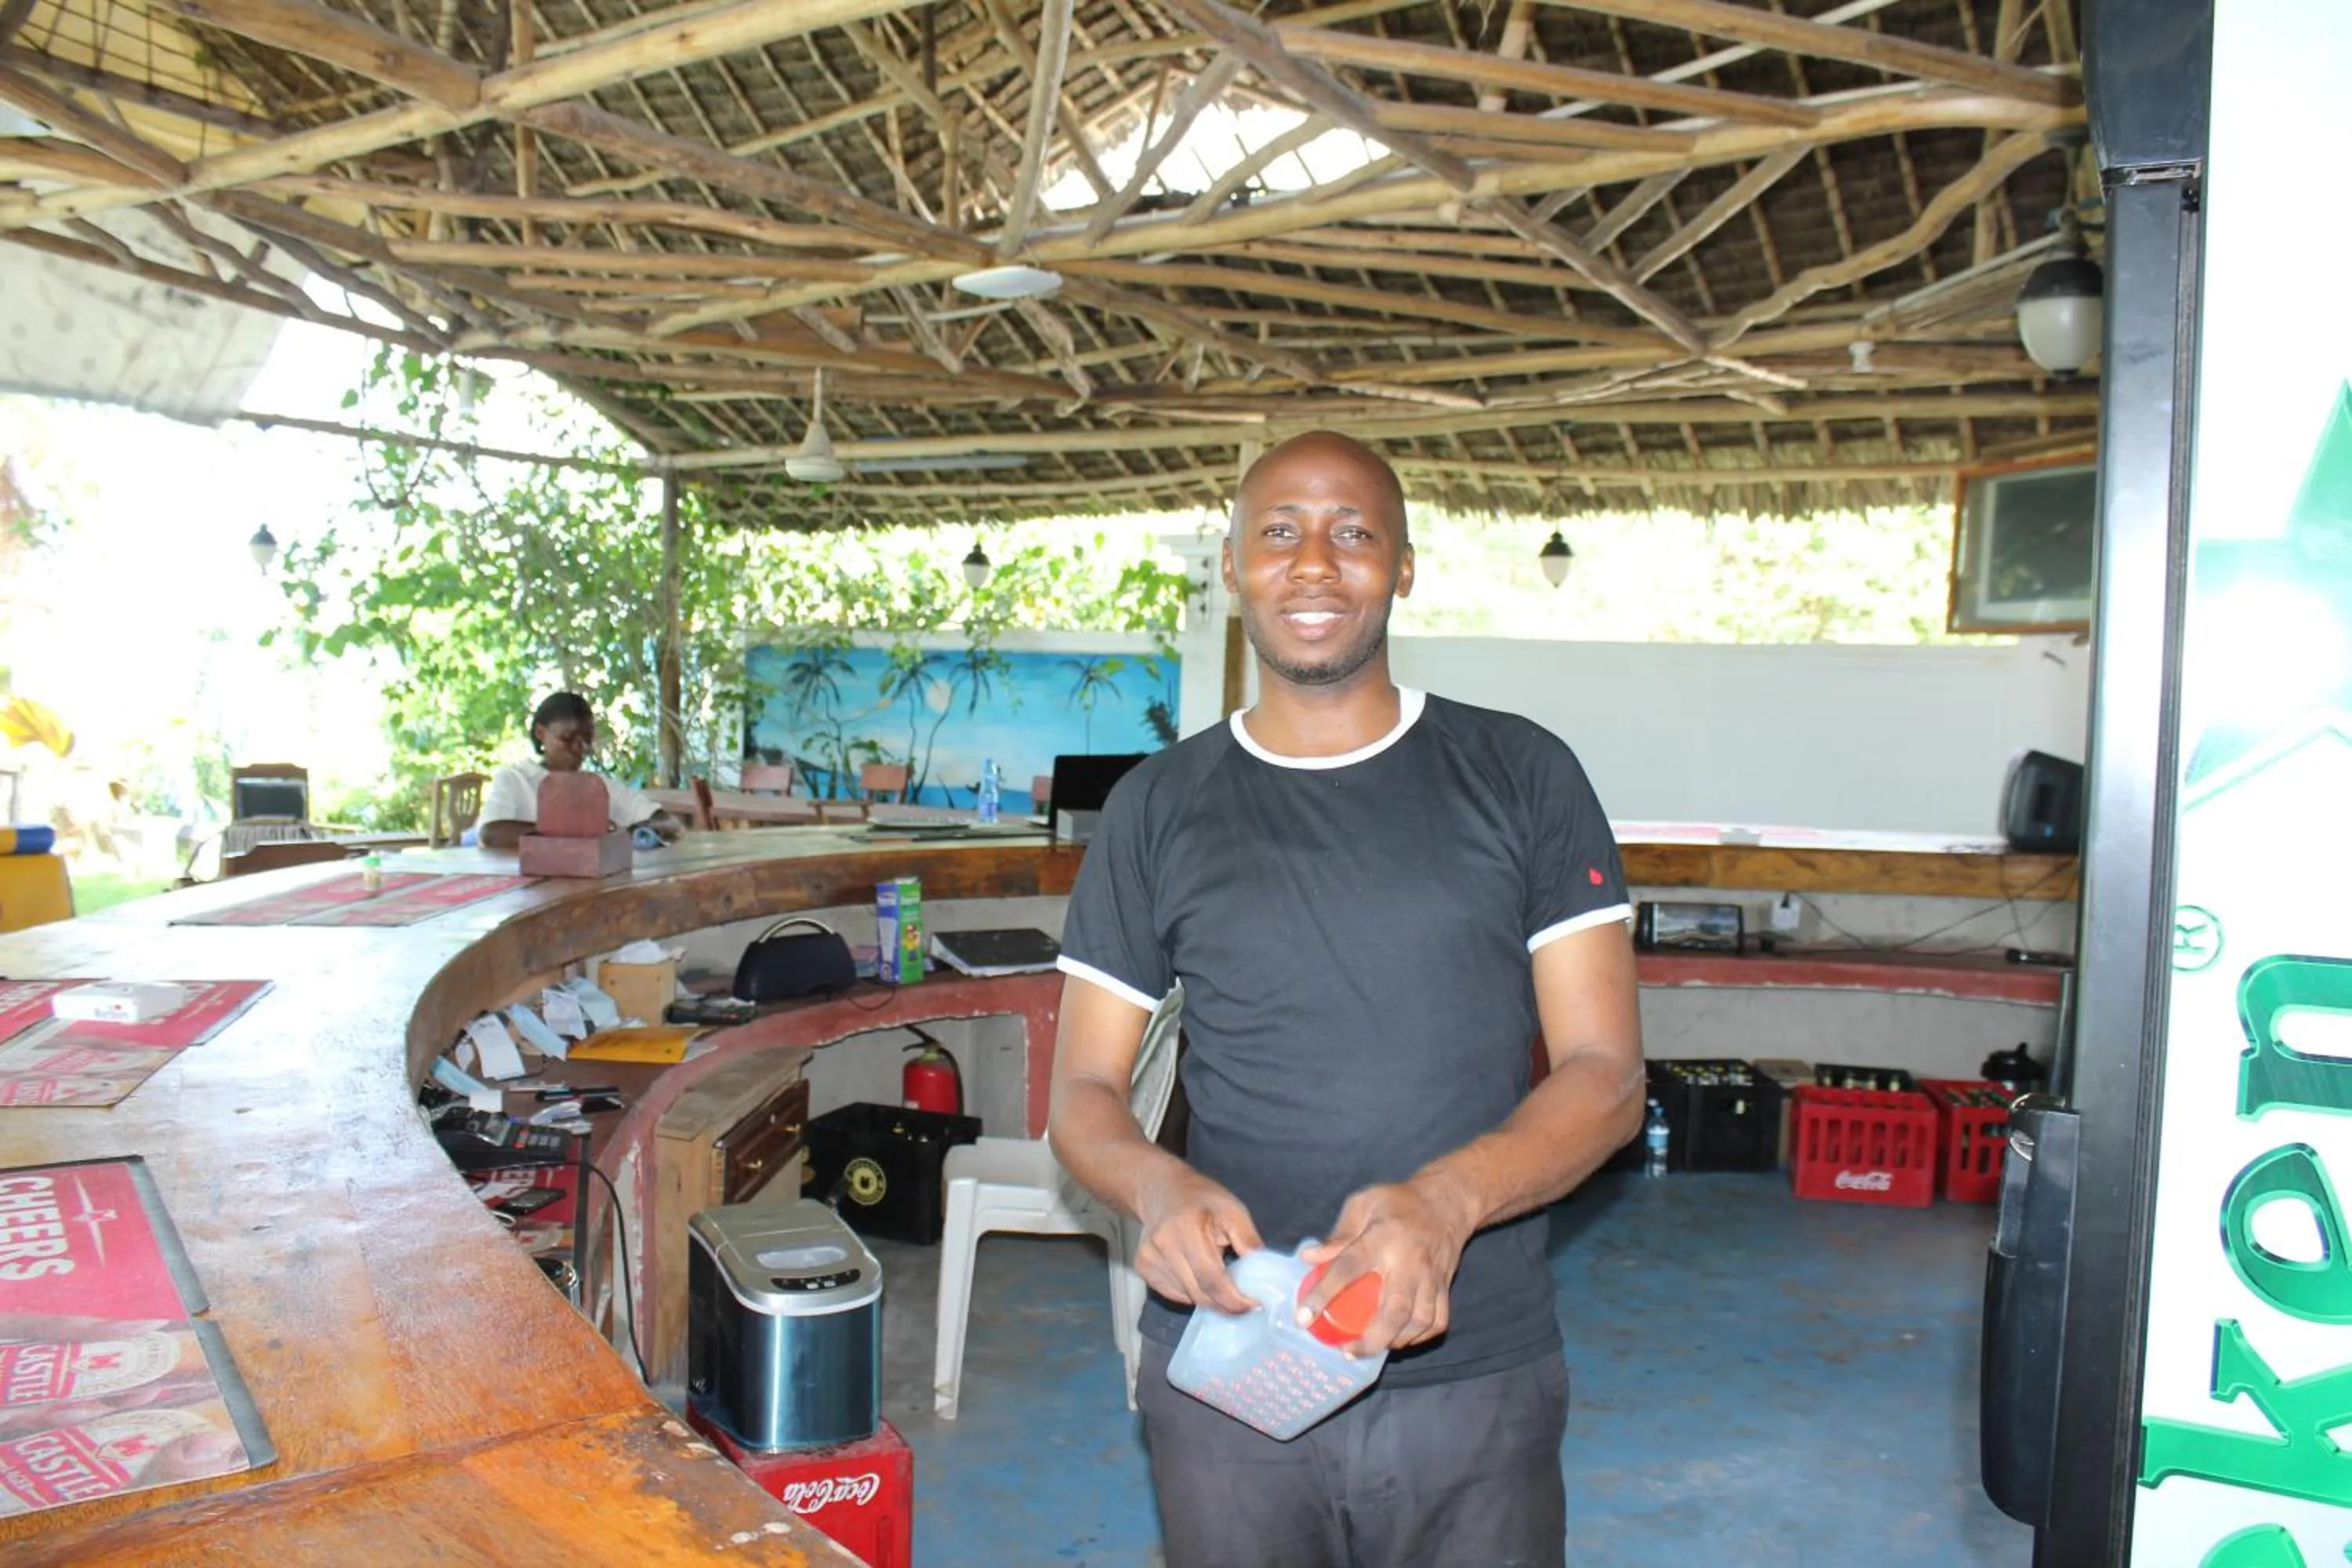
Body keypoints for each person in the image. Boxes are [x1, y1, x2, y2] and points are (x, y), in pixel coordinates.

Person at [1048, 431, 1644, 1568]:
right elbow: (1082, 1091)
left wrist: (1448, 1201)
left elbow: (1608, 1078)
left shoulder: (1522, 774)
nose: (1314, 562)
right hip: (1232, 1357)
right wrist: (1153, 1183)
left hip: (1470, 1363)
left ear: (1403, 567)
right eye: (1279, 531)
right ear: (1231, 567)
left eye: (1353, 532)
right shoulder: (1157, 806)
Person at [476, 692, 681, 851]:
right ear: (541, 733)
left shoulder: (599, 786)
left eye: (587, 739)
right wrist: (575, 831)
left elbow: (668, 822)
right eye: (567, 737)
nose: (580, 748)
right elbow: (491, 833)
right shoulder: (515, 780)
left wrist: (632, 833)